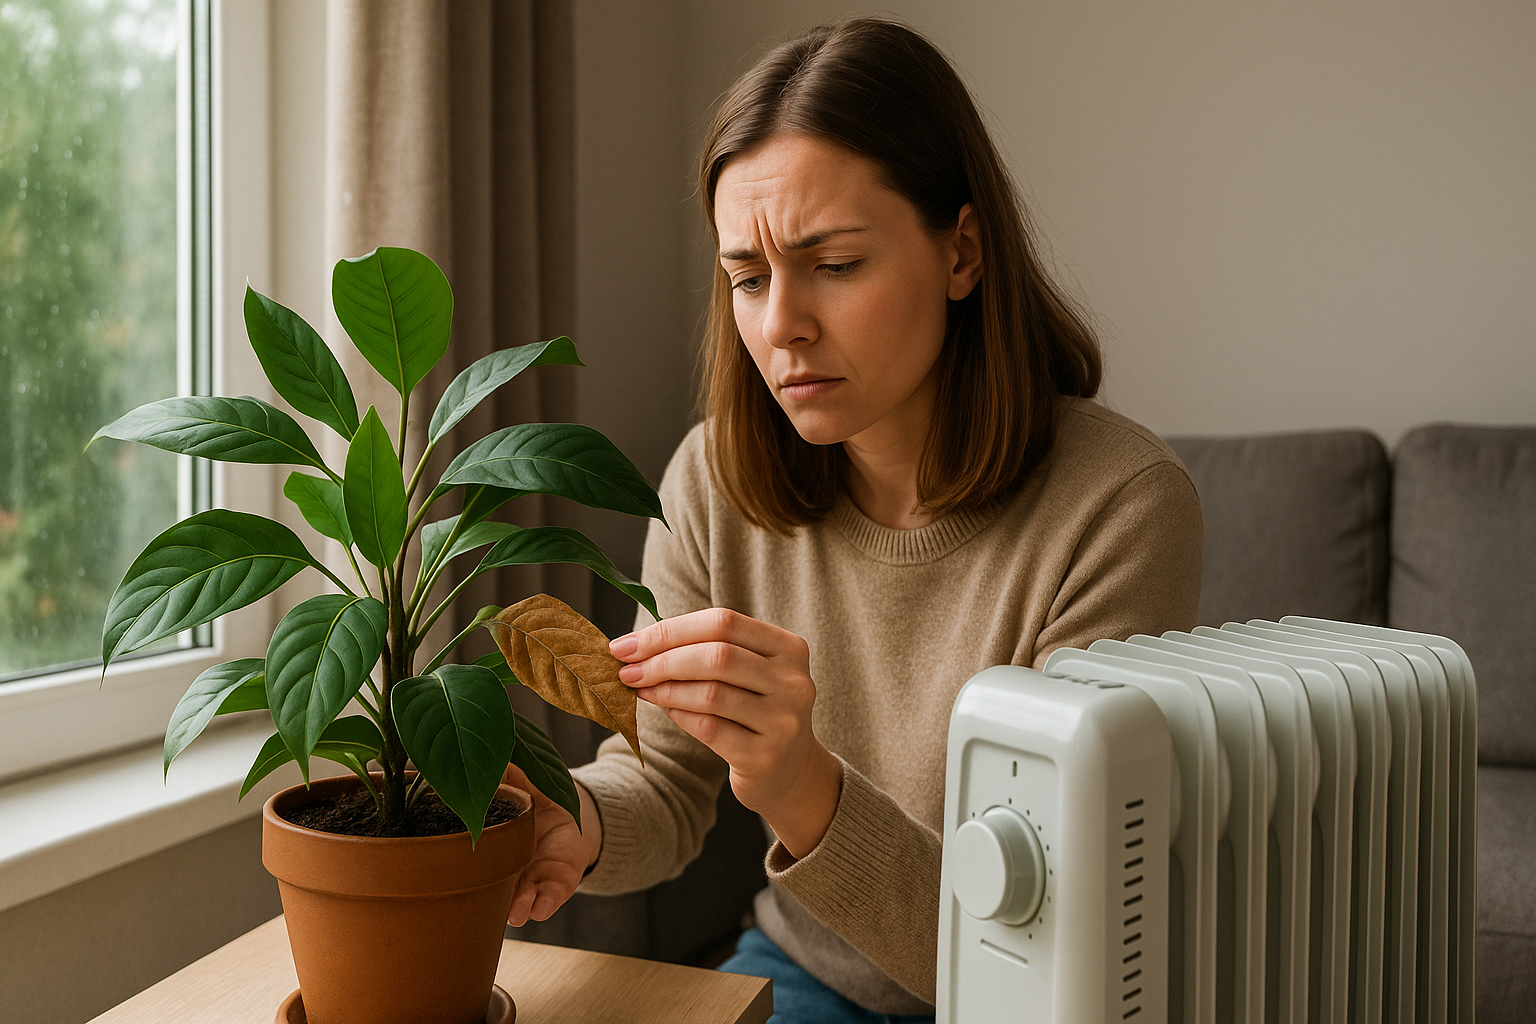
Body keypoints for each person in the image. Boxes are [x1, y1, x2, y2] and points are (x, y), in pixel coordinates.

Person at [501, 17, 1202, 1023]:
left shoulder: (1121, 509)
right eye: (748, 276)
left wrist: (800, 784)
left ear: (961, 251)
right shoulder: (712, 481)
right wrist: (569, 825)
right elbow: (662, 781)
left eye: (833, 264)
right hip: (810, 973)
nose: (780, 322)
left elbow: (1036, 948)